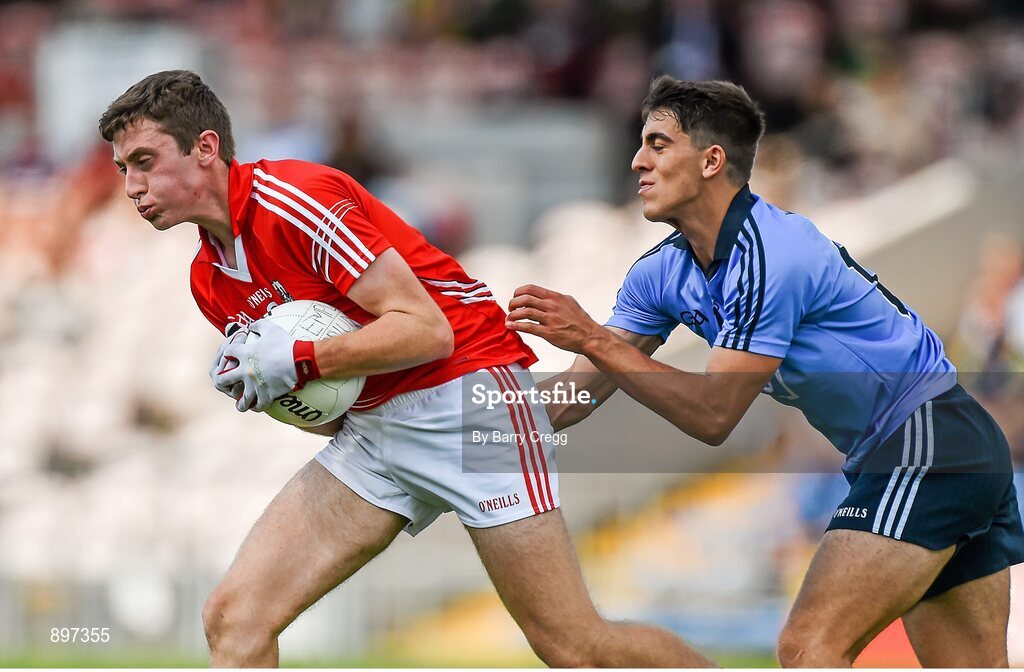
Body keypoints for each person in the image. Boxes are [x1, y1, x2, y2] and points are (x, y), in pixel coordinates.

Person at [98, 70, 713, 668]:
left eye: (146, 161)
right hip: (373, 430)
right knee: (234, 618)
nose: (131, 186)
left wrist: (302, 360)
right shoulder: (208, 280)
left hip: (471, 401)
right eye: (124, 168)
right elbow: (325, 408)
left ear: (206, 149)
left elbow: (426, 330)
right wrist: (279, 393)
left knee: (577, 649)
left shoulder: (295, 200)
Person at [509, 75, 1024, 668]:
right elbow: (574, 396)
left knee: (808, 648)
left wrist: (594, 338)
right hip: (936, 448)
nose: (636, 162)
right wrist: (465, 422)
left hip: (929, 442)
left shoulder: (771, 250)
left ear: (711, 160)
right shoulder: (660, 273)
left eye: (656, 144)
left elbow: (713, 415)